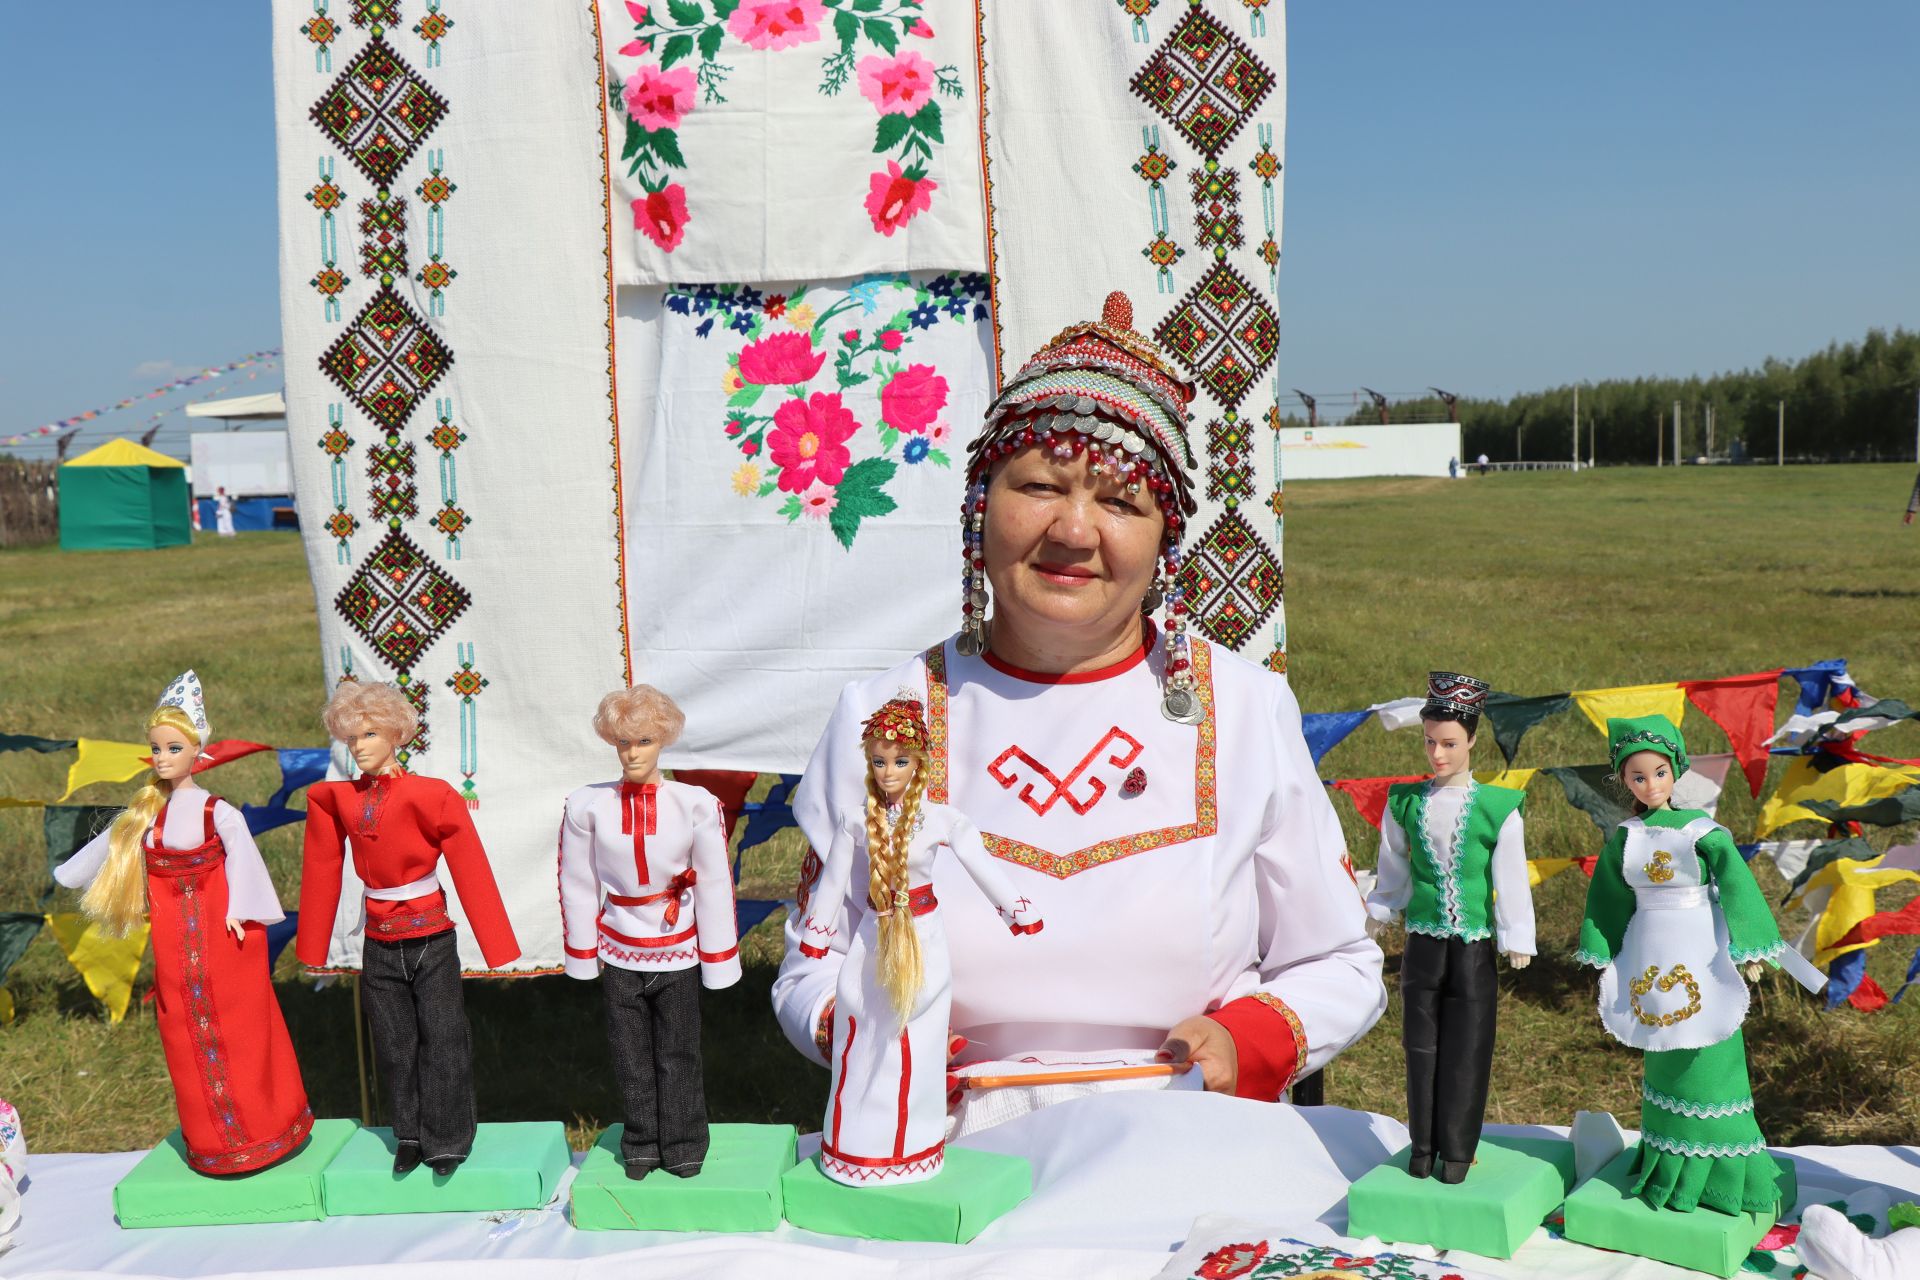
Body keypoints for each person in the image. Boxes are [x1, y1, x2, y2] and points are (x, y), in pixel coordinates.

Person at [773, 291, 1384, 1113]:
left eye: (1120, 502)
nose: (1072, 530)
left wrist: (1249, 1042)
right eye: (1038, 487)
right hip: (947, 1146)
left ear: (1165, 541)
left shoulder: (1244, 710)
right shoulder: (884, 716)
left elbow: (1339, 960)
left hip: (1187, 1136)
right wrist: (868, 1032)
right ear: (979, 510)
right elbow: (813, 964)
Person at [54, 671, 312, 1174]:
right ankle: (213, 1143)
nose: (163, 757)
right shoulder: (144, 814)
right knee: (184, 1035)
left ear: (198, 751)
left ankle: (265, 1132)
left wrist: (242, 911)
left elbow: (246, 867)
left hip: (227, 940)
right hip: (174, 949)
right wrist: (68, 874)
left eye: (173, 747)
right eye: (156, 748)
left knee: (241, 1030)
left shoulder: (218, 812)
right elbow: (99, 853)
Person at [1575, 715, 1823, 1215]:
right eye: (1638, 776)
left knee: (1710, 1050)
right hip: (1649, 951)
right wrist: (1600, 948)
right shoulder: (1624, 837)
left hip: (1700, 947)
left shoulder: (1700, 832)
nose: (1650, 785)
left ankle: (1727, 1172)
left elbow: (1737, 885)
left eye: (1659, 773)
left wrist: (1750, 945)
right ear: (1623, 780)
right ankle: (1667, 1161)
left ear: (1676, 772)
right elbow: (1607, 898)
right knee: (1662, 1046)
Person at [795, 693, 1042, 1185]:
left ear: (920, 763)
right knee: (861, 1031)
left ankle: (913, 1146)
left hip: (922, 938)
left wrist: (1016, 909)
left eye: (900, 760)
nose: (889, 772)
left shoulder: (943, 820)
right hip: (872, 936)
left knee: (917, 1040)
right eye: (880, 761)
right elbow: (834, 881)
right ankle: (857, 1147)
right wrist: (817, 933)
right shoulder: (853, 820)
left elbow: (982, 866)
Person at [298, 680, 520, 1176]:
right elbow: (321, 864)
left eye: (370, 734)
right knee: (395, 1042)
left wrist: (496, 942)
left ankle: (448, 1138)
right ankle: (410, 1134)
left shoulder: (431, 796)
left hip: (430, 936)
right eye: (352, 737)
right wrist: (314, 942)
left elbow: (470, 865)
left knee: (443, 1038)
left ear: (396, 733)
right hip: (378, 938)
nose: (359, 746)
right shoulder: (336, 799)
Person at [558, 685, 741, 1181]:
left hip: (677, 948)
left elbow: (715, 882)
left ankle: (683, 1141)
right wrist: (582, 953)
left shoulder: (695, 805)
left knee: (679, 1052)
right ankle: (640, 1139)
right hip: (620, 947)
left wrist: (719, 959)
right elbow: (579, 881)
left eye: (643, 741)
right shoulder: (587, 807)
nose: (633, 752)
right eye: (623, 743)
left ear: (662, 741)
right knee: (630, 1053)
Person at [1365, 672, 1533, 1183]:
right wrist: (1380, 911)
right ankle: (1422, 1147)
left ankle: (1457, 1150)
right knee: (1421, 1045)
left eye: (1449, 743)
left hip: (1473, 947)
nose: (1437, 754)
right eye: (1430, 742)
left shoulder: (1497, 807)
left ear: (1472, 741)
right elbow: (1392, 866)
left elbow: (1510, 877)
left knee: (1469, 1047)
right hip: (1423, 943)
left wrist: (1517, 936)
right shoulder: (1405, 802)